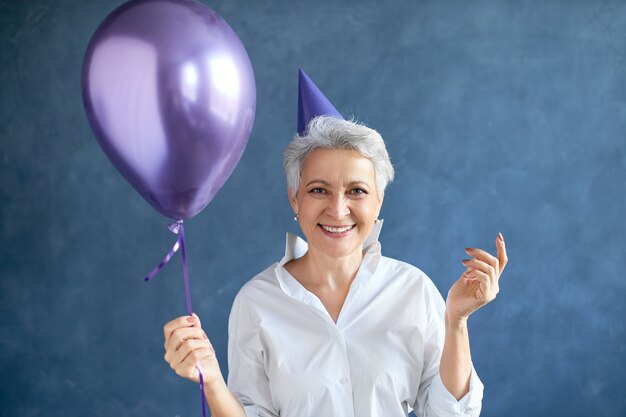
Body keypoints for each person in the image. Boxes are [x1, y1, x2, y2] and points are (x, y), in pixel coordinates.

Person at [162, 71, 508, 417]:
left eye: (357, 191)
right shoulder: (256, 302)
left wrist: (456, 320)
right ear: (294, 199)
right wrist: (212, 383)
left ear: (378, 202)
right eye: (318, 190)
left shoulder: (413, 291)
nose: (338, 210)